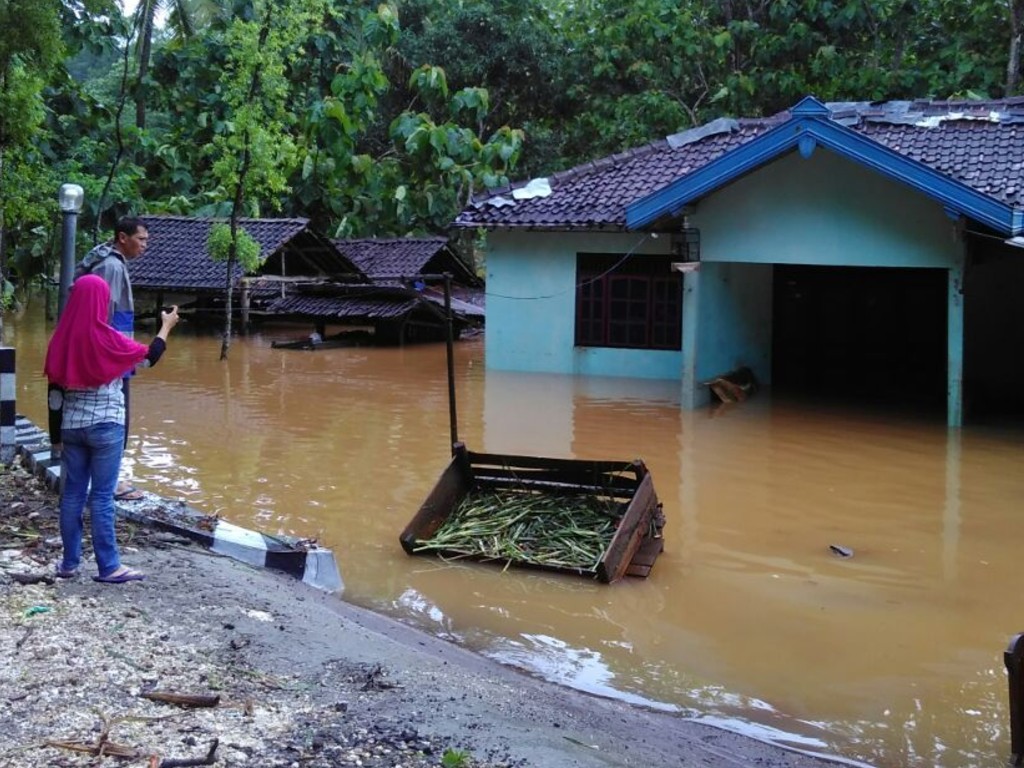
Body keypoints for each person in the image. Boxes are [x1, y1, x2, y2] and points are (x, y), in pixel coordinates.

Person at [45, 274, 179, 583]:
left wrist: (55, 440)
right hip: (107, 427)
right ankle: (109, 567)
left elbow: (54, 397)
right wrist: (166, 326)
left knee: (73, 496)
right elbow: (150, 358)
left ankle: (69, 564)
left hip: (71, 428)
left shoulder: (60, 340)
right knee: (103, 497)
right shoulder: (110, 338)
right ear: (101, 302)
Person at [76, 217, 149, 501]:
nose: (144, 245)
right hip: (111, 357)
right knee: (117, 419)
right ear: (122, 237)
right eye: (141, 239)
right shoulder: (111, 267)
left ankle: (104, 478)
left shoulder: (109, 262)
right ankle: (110, 483)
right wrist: (112, 358)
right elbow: (101, 318)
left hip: (114, 354)